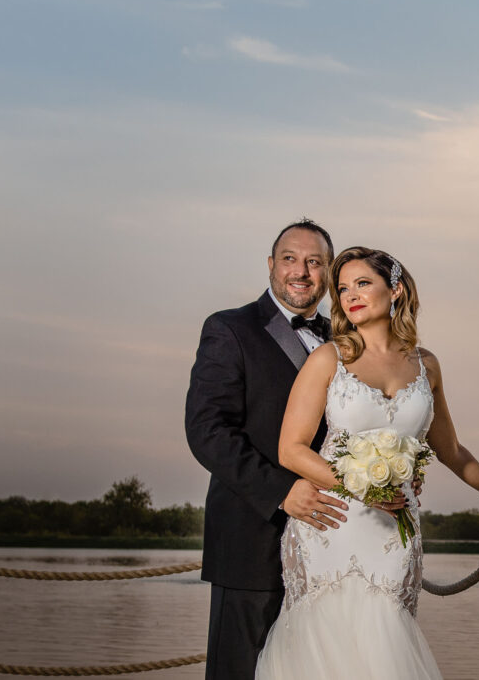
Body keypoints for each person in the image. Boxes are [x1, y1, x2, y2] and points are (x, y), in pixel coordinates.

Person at [256, 246, 479, 679]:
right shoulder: (328, 358)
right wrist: (360, 486)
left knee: (386, 646)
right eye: (342, 288)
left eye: (363, 283)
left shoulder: (426, 364)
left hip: (394, 534)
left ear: (395, 289)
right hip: (333, 524)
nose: (349, 296)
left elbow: (452, 451)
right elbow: (292, 450)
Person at [185, 219, 351, 680]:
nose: (301, 271)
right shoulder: (229, 328)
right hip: (252, 542)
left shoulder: (346, 342)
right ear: (271, 266)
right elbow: (207, 430)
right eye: (290, 259)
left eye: (314, 262)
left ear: (329, 272)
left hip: (333, 544)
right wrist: (281, 492)